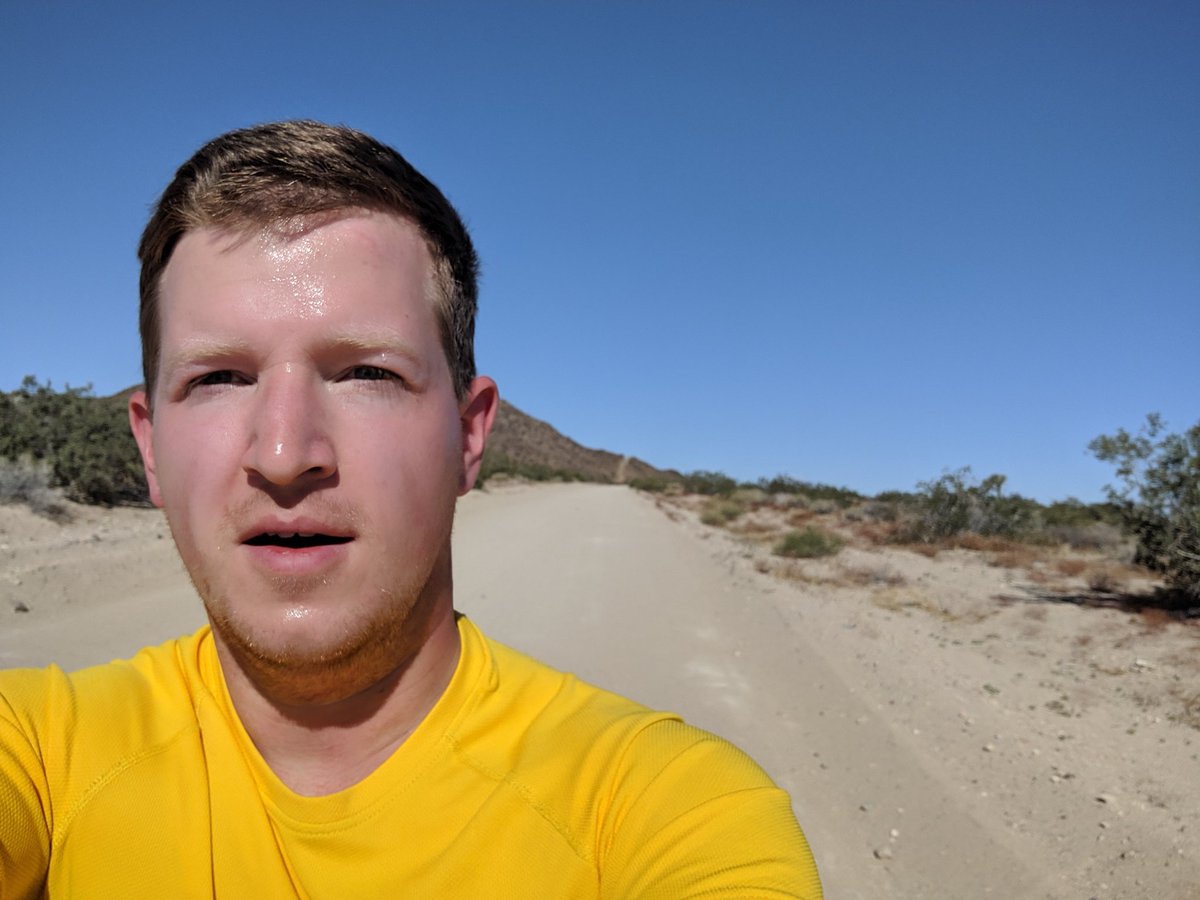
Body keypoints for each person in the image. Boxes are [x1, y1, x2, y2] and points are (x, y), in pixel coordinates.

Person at [0, 121, 822, 898]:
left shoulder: (663, 808)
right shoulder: (39, 749)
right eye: (218, 378)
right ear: (149, 445)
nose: (284, 455)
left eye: (366, 374)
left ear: (468, 437)